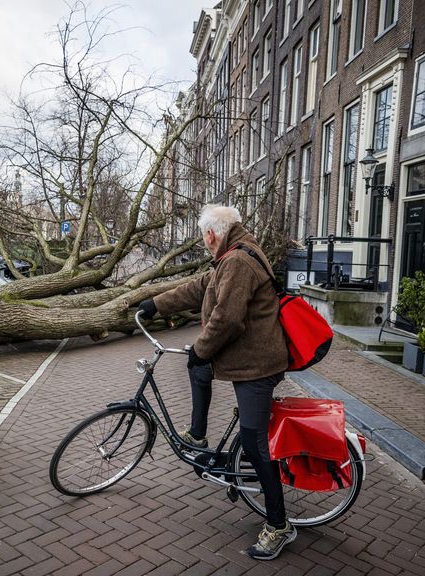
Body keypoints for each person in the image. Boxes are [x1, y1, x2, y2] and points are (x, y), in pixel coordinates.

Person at [138, 205, 293, 561]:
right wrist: (156, 304)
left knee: (255, 444)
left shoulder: (238, 262)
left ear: (211, 234)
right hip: (249, 359)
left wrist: (202, 349)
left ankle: (279, 525)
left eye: (204, 237)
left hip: (257, 366)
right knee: (199, 368)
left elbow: (227, 319)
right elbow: (200, 288)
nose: (205, 243)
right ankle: (198, 433)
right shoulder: (233, 256)